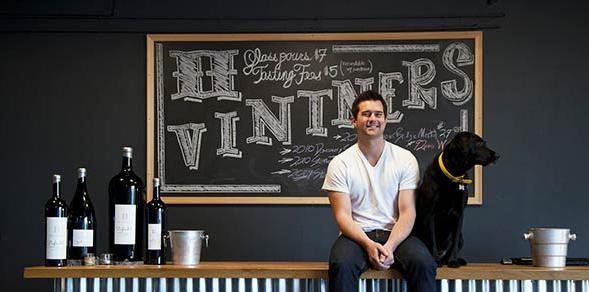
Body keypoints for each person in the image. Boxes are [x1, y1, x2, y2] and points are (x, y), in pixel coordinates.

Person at [322, 90, 436, 292]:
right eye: (366, 114)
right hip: (356, 235)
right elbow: (342, 216)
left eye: (378, 114)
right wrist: (368, 244)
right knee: (341, 265)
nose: (372, 119)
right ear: (353, 121)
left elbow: (408, 212)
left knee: (424, 263)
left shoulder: (405, 158)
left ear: (385, 120)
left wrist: (390, 247)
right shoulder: (340, 163)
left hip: (397, 234)